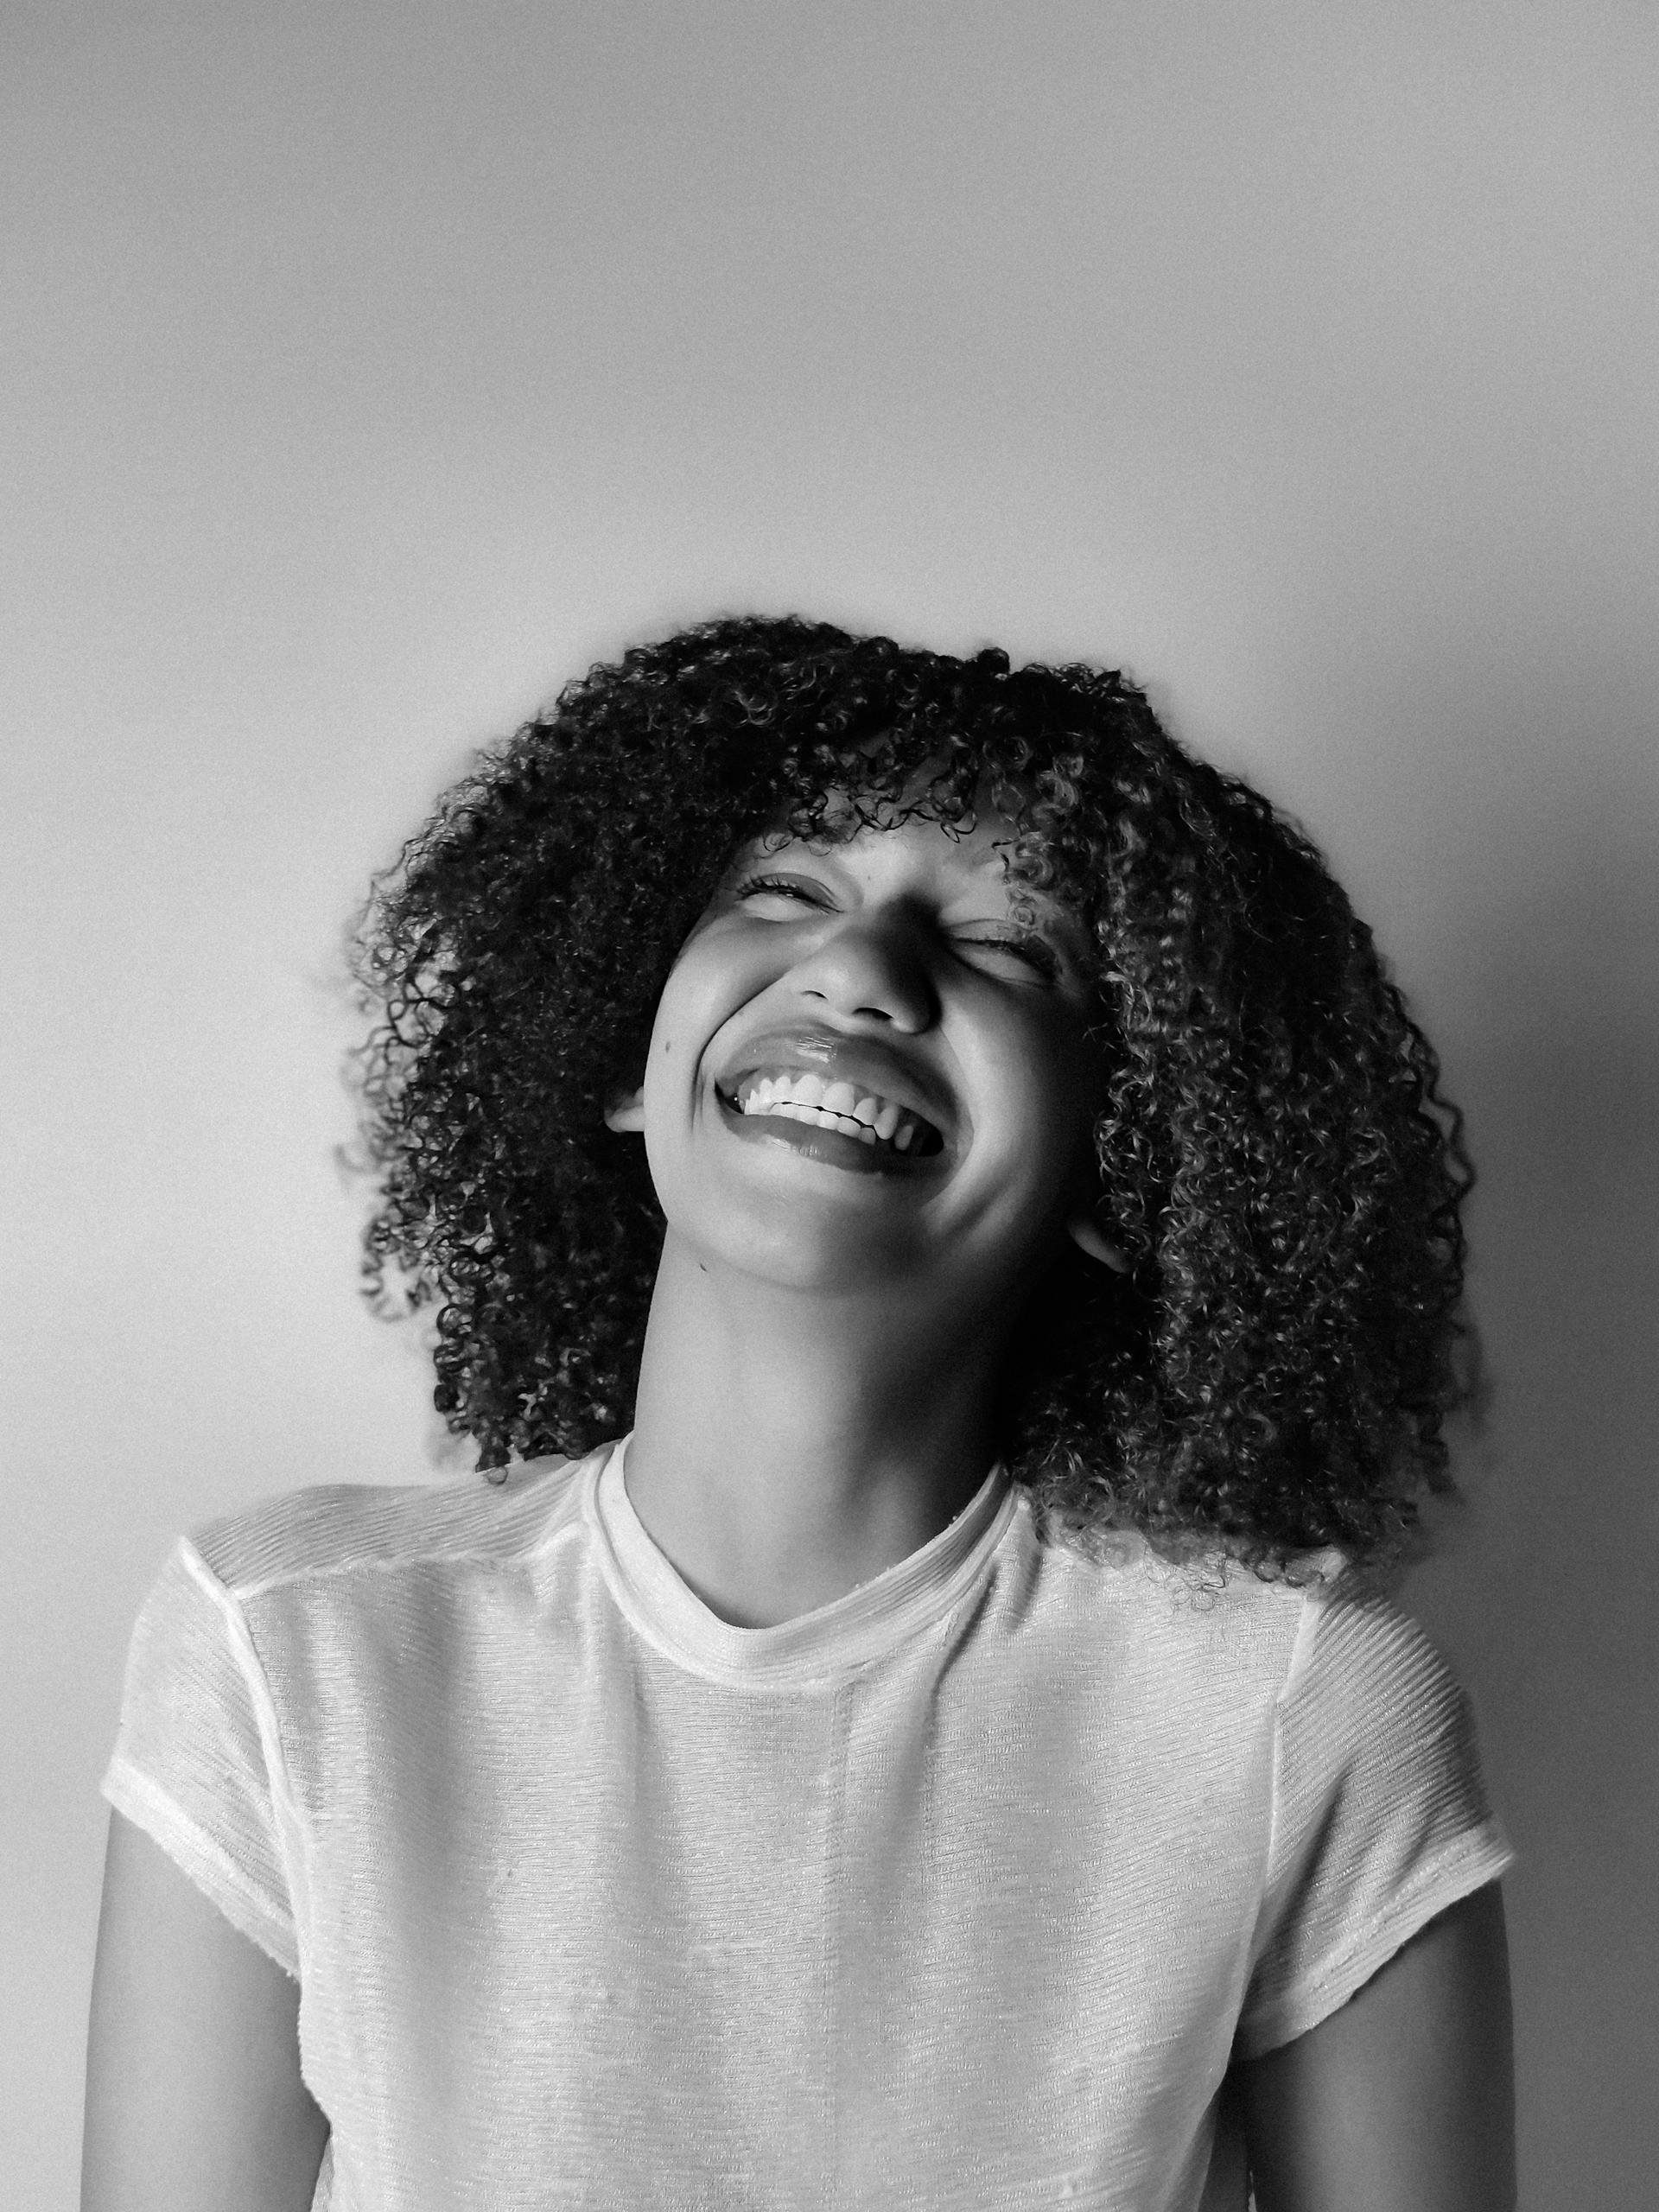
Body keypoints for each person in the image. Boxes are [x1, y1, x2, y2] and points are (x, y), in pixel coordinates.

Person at [82, 617, 1516, 2211]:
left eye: (1009, 947)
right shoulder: (288, 1648)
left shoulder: (1303, 1712)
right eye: (785, 888)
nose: (862, 967)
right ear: (629, 1047)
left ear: (1127, 1165)